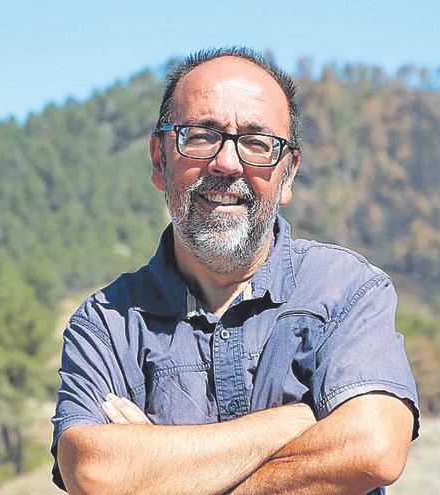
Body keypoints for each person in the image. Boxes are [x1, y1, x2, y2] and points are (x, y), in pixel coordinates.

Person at [51, 47, 419, 495]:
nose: (227, 163)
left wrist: (161, 465)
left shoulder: (347, 290)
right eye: (201, 135)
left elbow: (374, 449)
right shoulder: (107, 322)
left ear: (287, 175)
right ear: (158, 161)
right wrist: (301, 421)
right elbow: (96, 473)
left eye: (257, 142)